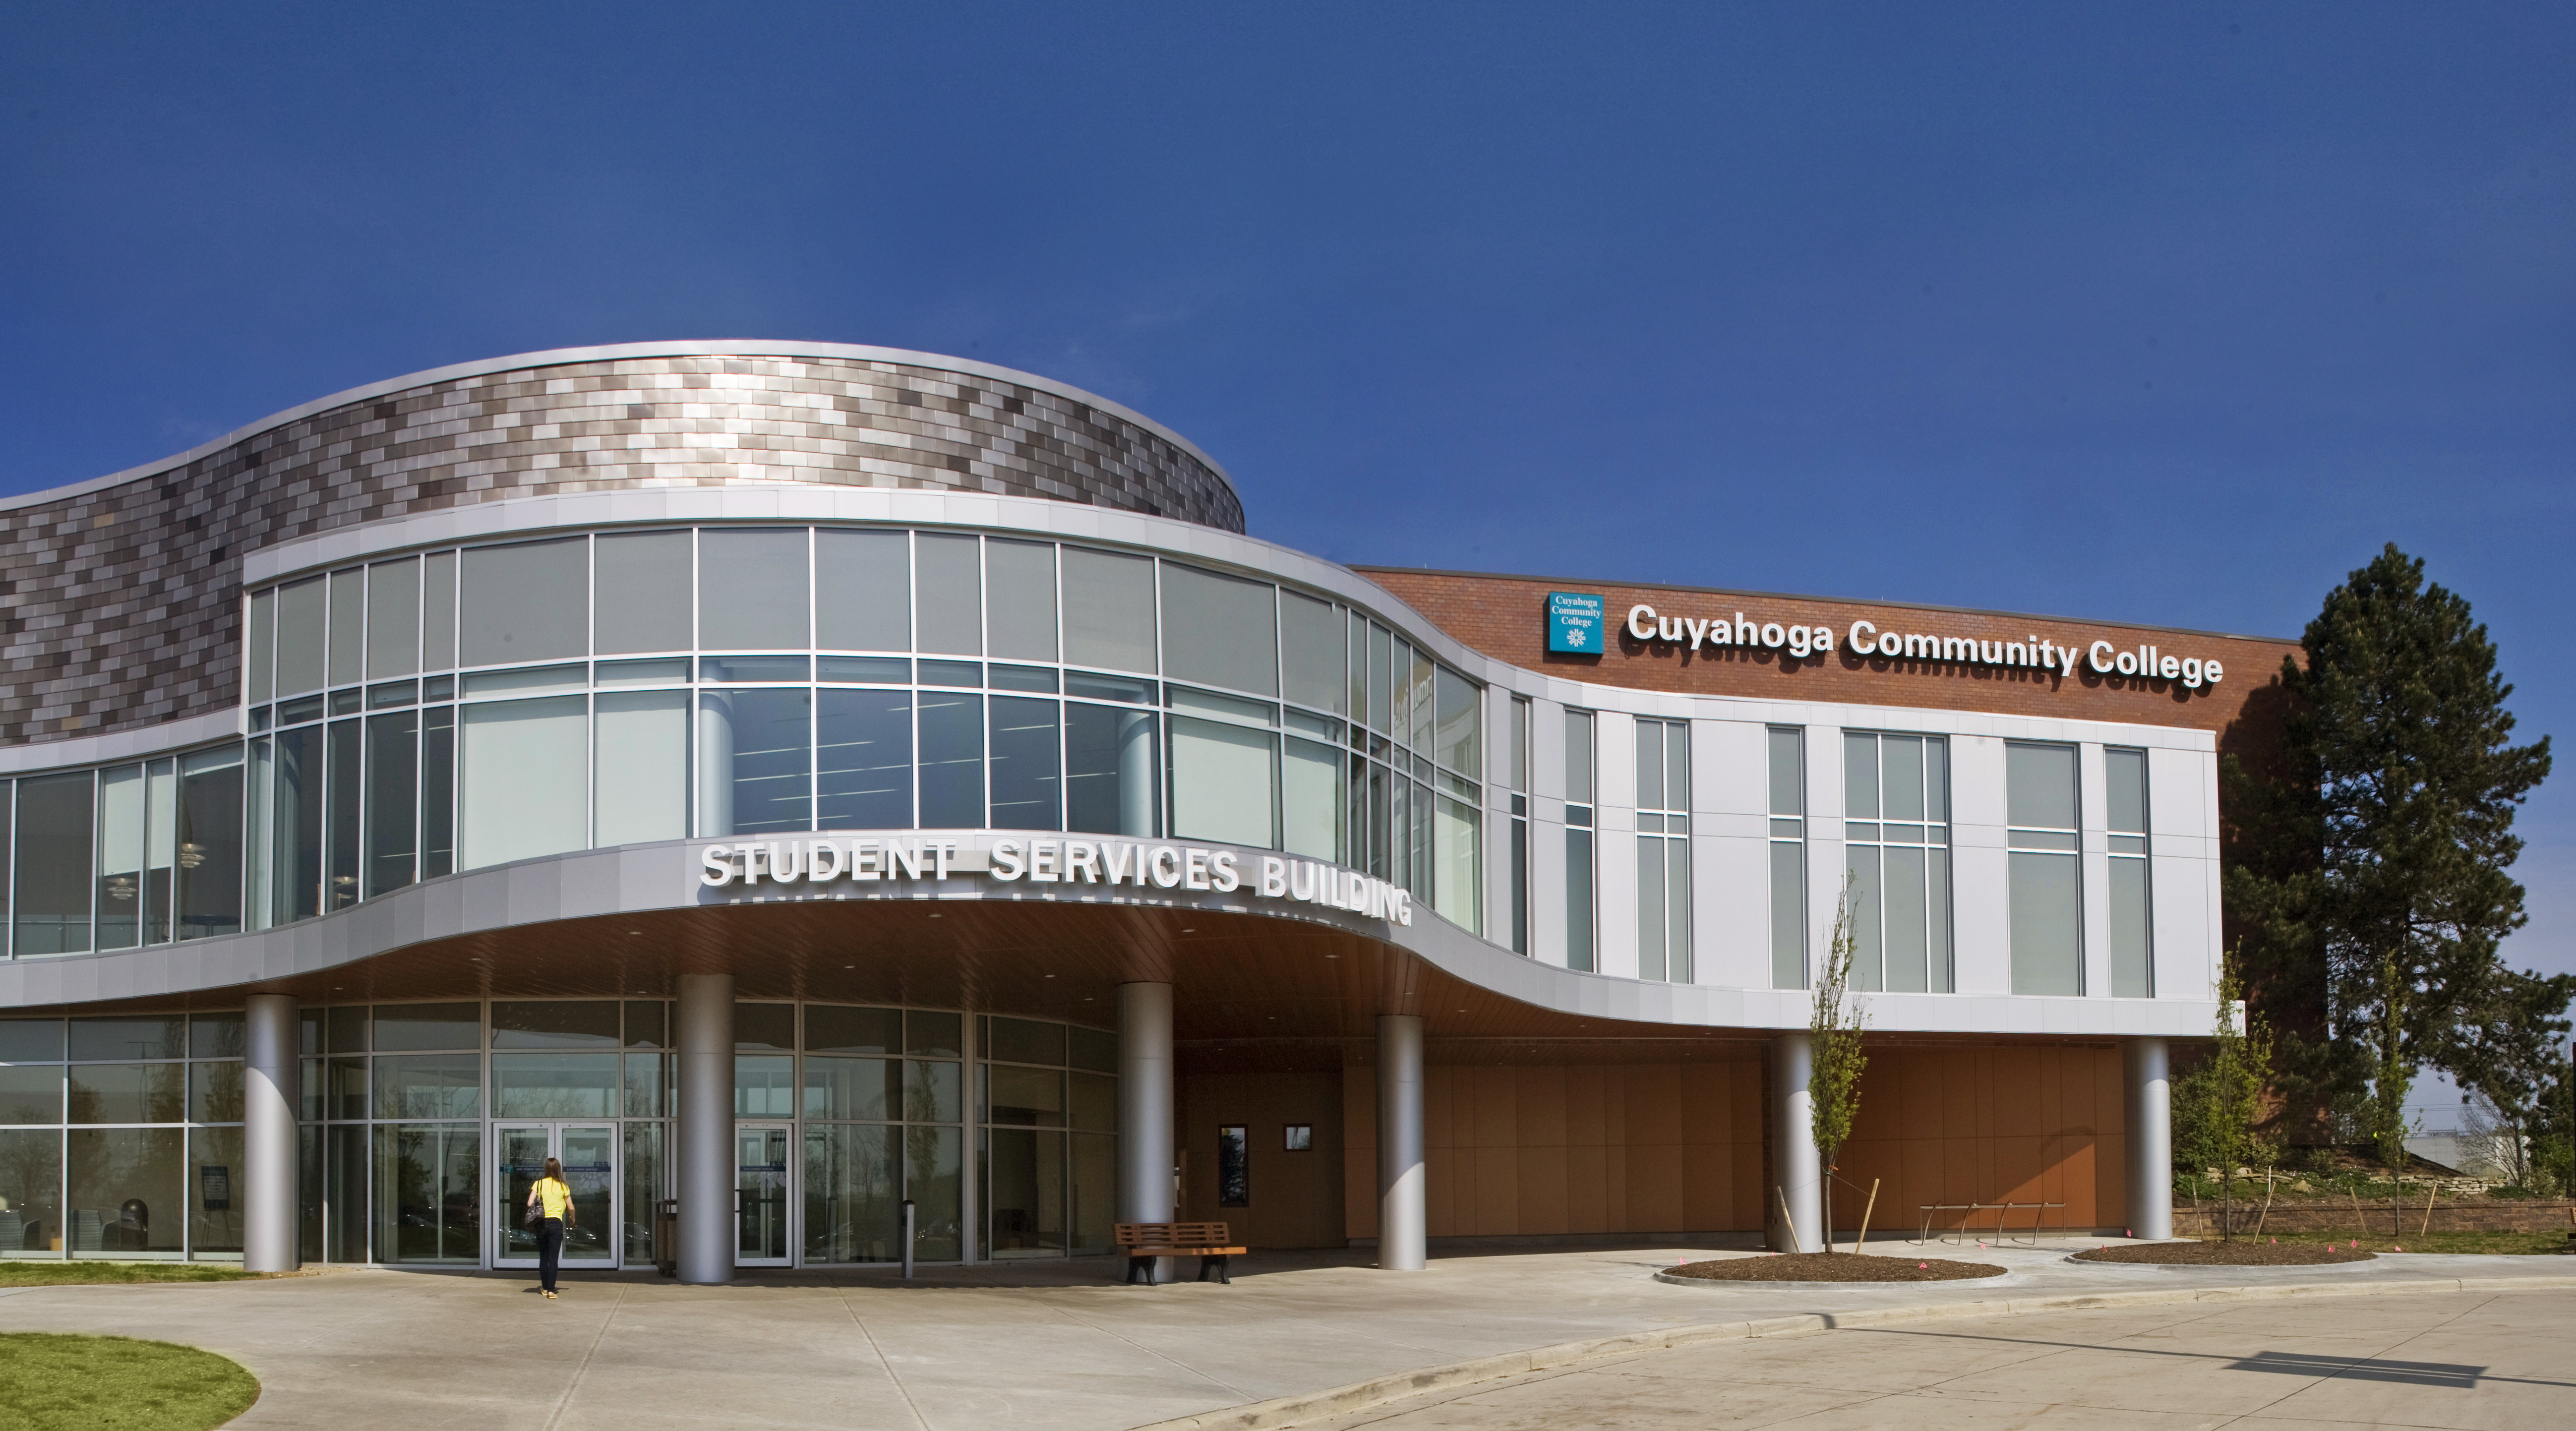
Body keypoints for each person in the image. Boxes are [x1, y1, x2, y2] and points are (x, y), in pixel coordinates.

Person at [525, 1158, 574, 1299]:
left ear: (546, 1169)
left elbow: (530, 1203)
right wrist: (573, 1218)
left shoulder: (539, 1184)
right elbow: (571, 1207)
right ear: (558, 1169)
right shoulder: (563, 1187)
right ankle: (552, 1291)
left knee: (544, 1257)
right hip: (556, 1224)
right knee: (553, 1259)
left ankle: (545, 1288)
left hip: (541, 1224)